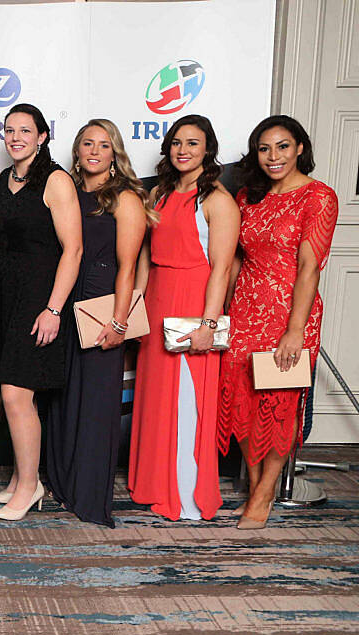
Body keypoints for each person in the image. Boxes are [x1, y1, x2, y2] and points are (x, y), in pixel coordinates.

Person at [218, 115, 338, 529]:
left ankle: (265, 493)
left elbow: (309, 268)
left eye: (283, 146)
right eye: (265, 148)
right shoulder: (249, 197)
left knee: (279, 407)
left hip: (290, 312)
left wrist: (294, 330)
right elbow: (235, 258)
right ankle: (255, 484)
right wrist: (220, 311)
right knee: (244, 404)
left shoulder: (318, 197)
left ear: (300, 148)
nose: (274, 157)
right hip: (245, 310)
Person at [128, 114, 240, 521]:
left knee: (186, 404)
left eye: (192, 143)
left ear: (207, 149)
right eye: (176, 142)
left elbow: (222, 269)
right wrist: (135, 305)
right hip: (158, 300)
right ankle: (154, 484)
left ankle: (187, 496)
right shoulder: (157, 193)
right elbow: (144, 255)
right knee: (156, 402)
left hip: (193, 302)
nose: (183, 150)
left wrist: (208, 325)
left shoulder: (217, 200)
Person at [44, 118, 153, 528]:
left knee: (96, 405)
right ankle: (62, 484)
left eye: (103, 145)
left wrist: (119, 322)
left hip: (104, 302)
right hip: (65, 297)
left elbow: (128, 267)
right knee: (63, 398)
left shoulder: (124, 198)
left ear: (115, 154)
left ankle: (89, 496)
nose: (93, 151)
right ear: (76, 150)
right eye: (87, 143)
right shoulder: (65, 190)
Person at [0, 103, 83, 521]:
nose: (16, 137)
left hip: (39, 299)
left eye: (26, 130)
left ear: (42, 136)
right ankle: (18, 480)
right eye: (9, 130)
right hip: (6, 296)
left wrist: (53, 309)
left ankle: (30, 486)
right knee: (15, 395)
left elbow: (73, 250)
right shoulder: (5, 179)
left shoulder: (57, 180)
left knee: (16, 394)